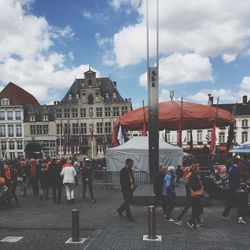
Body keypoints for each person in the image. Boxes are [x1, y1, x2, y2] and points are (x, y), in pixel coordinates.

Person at [221, 159, 247, 224]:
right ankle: (240, 217)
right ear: (238, 163)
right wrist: (240, 185)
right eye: (240, 163)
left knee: (231, 202)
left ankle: (224, 214)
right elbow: (236, 180)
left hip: (232, 188)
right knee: (240, 202)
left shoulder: (231, 168)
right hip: (235, 188)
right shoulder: (234, 169)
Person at [187, 164, 204, 229]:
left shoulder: (194, 176)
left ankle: (193, 223)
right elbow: (193, 186)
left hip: (194, 196)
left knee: (195, 210)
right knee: (200, 210)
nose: (199, 169)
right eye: (198, 168)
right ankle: (190, 221)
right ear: (195, 169)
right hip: (194, 196)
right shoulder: (193, 176)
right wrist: (200, 185)